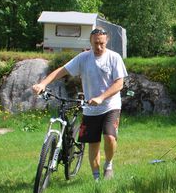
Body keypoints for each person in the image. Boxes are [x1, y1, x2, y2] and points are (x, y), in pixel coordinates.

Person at [32, 27, 127, 181]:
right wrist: (42, 84)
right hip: (90, 108)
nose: (99, 47)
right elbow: (61, 71)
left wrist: (101, 98)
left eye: (102, 43)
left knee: (110, 137)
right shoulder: (83, 58)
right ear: (90, 41)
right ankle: (96, 180)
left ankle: (108, 165)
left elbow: (119, 84)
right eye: (96, 43)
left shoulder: (114, 58)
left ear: (106, 41)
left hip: (110, 105)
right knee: (93, 143)